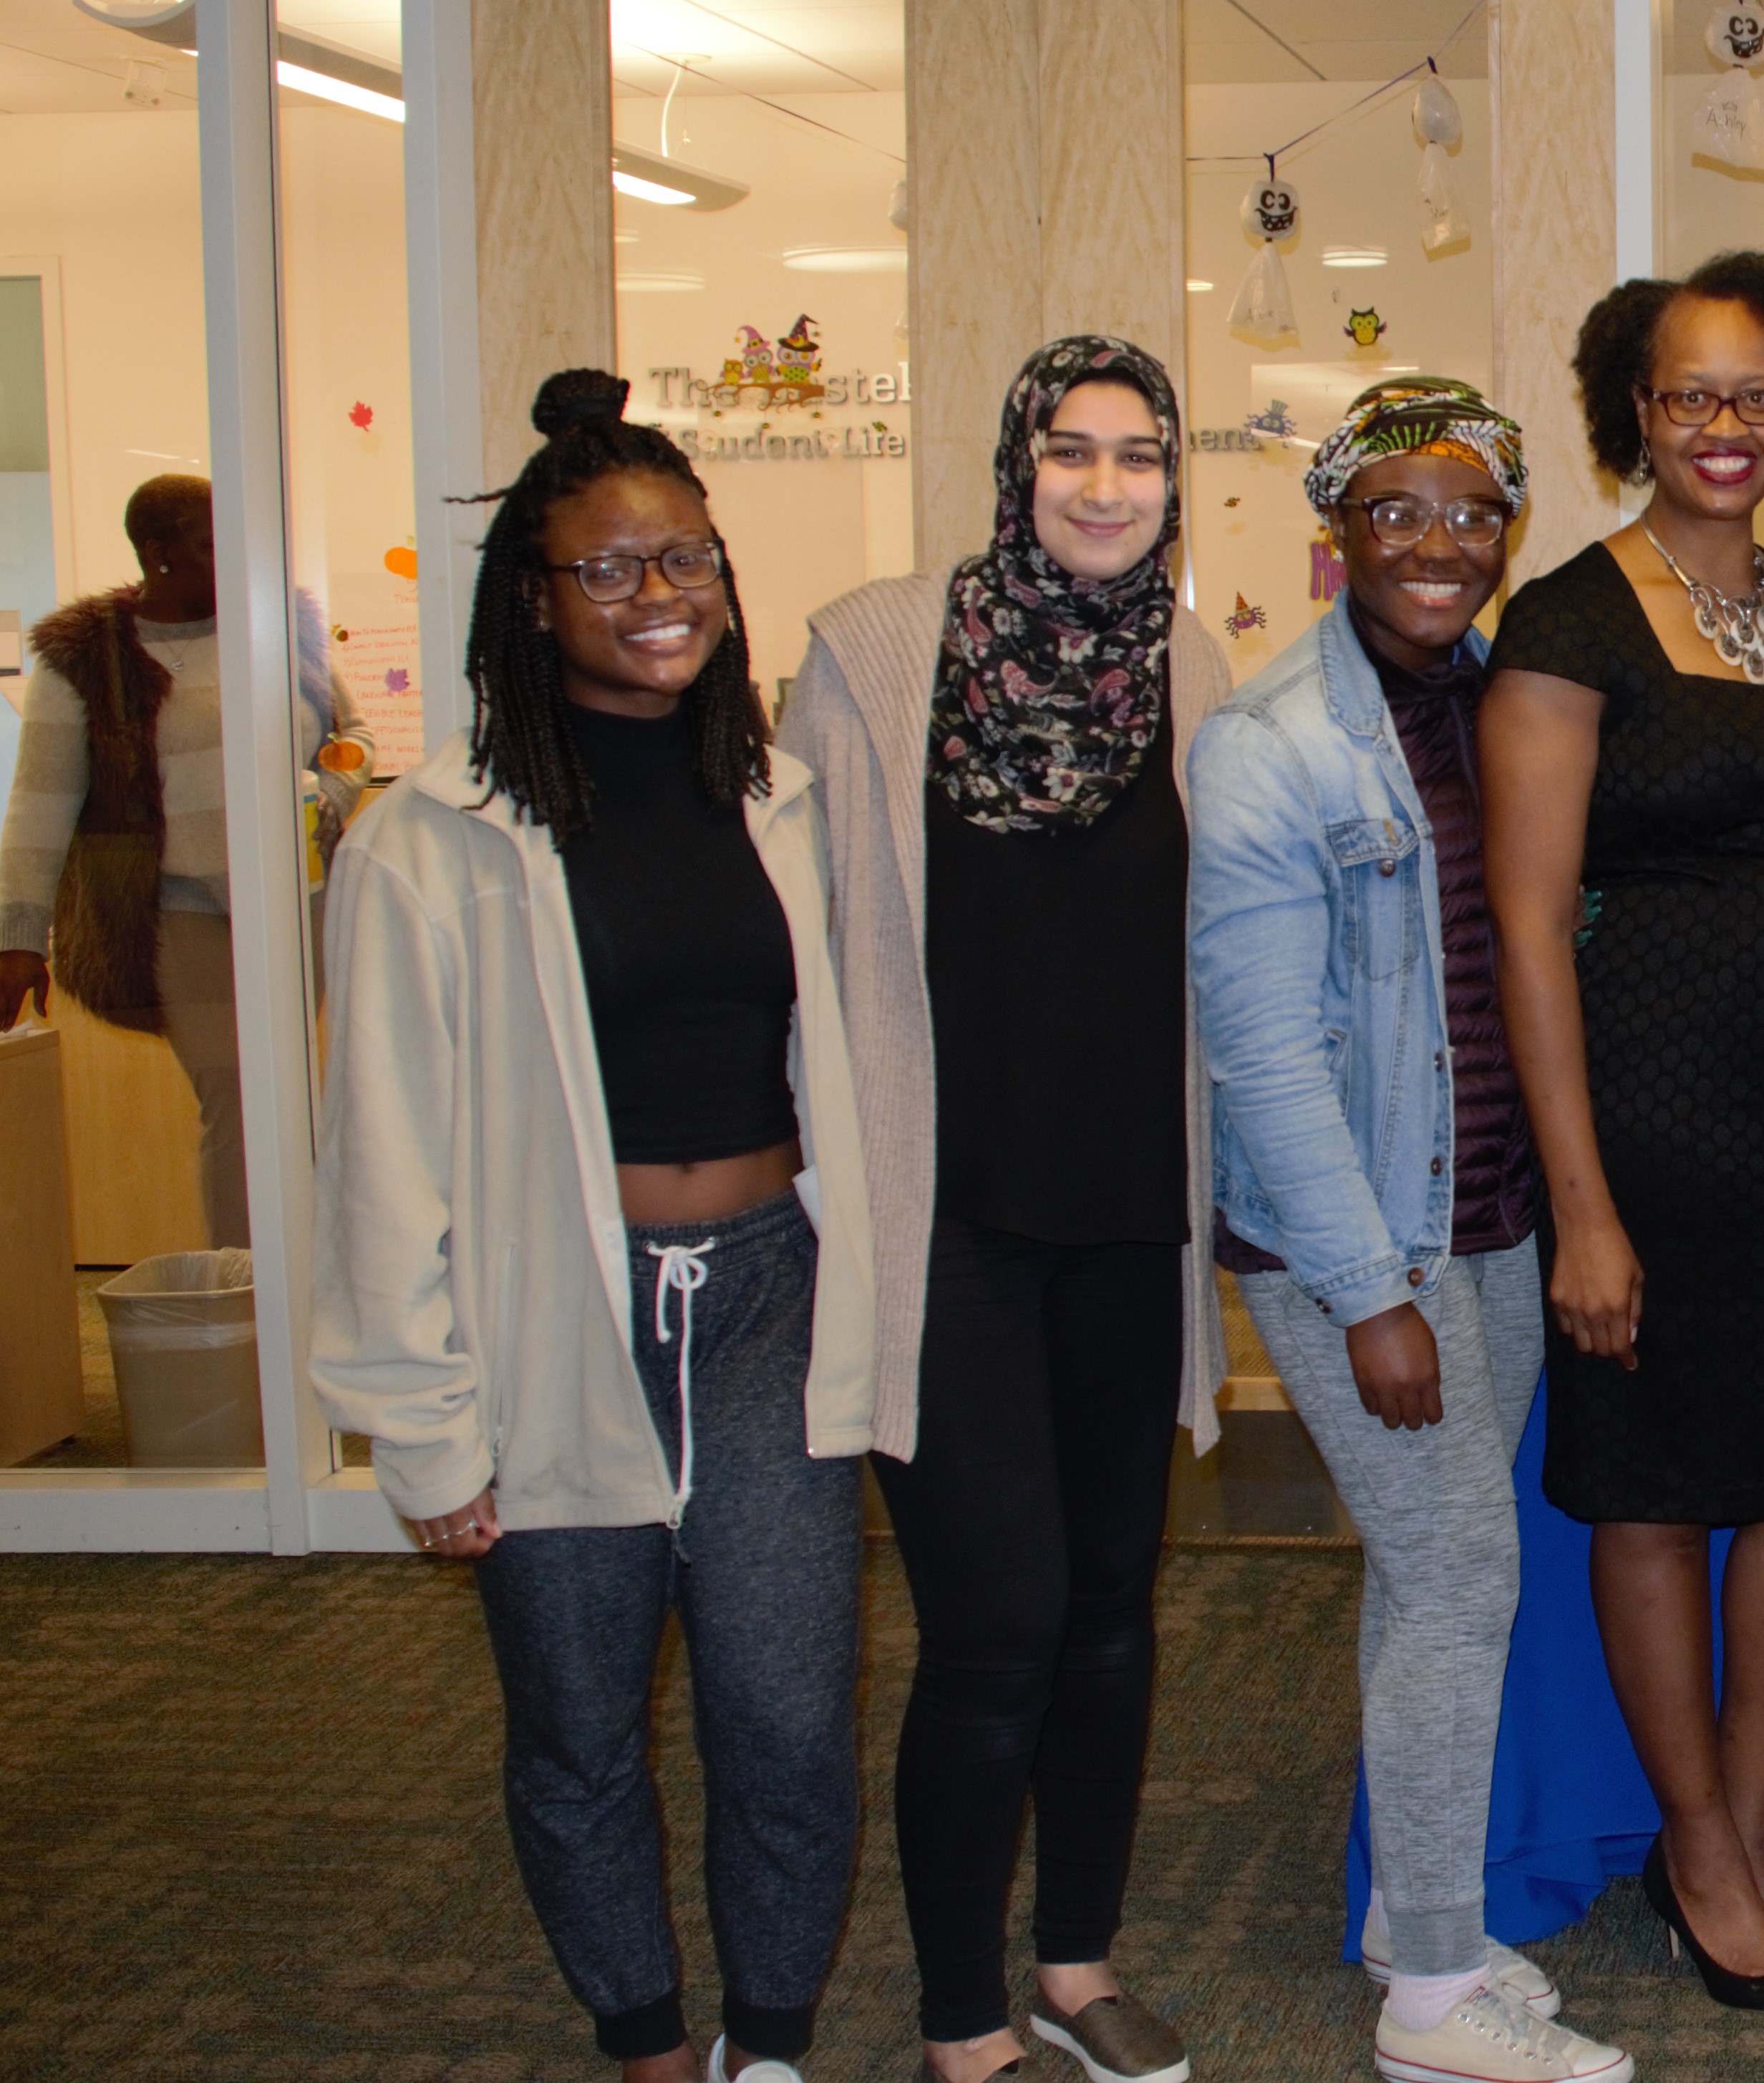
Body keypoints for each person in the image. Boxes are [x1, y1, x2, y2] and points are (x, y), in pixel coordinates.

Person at [309, 371, 878, 2083]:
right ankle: (647, 2042)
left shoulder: (776, 798)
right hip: (558, 1317)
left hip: (770, 1300)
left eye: (687, 559)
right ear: (533, 599)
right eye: (611, 569)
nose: (660, 597)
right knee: (577, 1730)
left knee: (789, 1719)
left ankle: (767, 2041)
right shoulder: (432, 843)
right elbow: (382, 1159)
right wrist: (422, 1420)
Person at [781, 336, 1231, 2083]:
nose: (1106, 486)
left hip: (1128, 1215)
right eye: (1071, 449)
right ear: (1013, 462)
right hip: (943, 1220)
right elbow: (799, 936)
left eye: (1140, 454)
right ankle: (961, 2010)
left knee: (1112, 1608)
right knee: (995, 1625)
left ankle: (1074, 1960)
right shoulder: (875, 651)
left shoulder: (1193, 665)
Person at [1482, 248, 1764, 2017]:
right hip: (1651, 1133)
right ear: (1634, 413)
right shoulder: (1569, 619)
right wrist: (1581, 1205)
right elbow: (1526, 926)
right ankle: (1702, 1844)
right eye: (1688, 395)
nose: (1723, 426)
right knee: (1656, 1498)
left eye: (1755, 395)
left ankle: (1732, 1833)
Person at [1188, 378, 1632, 2083]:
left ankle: (1412, 1920)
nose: (1437, 544)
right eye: (1396, 512)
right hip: (1360, 1247)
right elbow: (1261, 1058)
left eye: (1470, 513)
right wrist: (1368, 1291)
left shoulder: (1490, 701)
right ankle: (1436, 2000)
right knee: (1461, 1579)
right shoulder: (1273, 742)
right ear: (1337, 534)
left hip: (1491, 1220)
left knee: (1422, 1573)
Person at [1, 472, 372, 1247]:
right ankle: (252, 1290)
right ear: (158, 553)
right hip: (175, 908)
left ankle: (311, 1278)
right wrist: (19, 939)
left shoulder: (279, 621)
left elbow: (353, 733)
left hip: (296, 900)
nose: (236, 550)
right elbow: (38, 806)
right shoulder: (85, 659)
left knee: (288, 1089)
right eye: (212, 540)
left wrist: (336, 791)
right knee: (236, 1093)